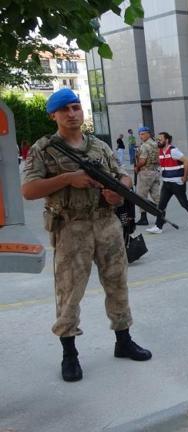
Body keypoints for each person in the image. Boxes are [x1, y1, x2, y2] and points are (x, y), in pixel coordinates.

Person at [21, 88, 152, 383]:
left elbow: (123, 176)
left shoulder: (99, 147)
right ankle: (70, 353)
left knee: (117, 284)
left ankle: (123, 340)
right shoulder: (45, 149)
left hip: (106, 223)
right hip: (71, 227)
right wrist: (69, 179)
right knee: (69, 293)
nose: (72, 113)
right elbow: (28, 190)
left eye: (76, 107)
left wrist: (117, 192)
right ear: (53, 115)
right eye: (65, 109)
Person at [145, 132, 188, 234]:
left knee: (184, 203)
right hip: (166, 183)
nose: (158, 141)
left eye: (160, 139)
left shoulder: (173, 151)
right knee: (161, 205)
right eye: (157, 139)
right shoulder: (161, 151)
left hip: (177, 183)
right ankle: (158, 227)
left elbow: (187, 162)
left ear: (166, 140)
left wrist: (185, 177)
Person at [133, 126, 161, 225]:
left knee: (141, 196)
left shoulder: (144, 146)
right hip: (155, 171)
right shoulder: (155, 144)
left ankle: (144, 218)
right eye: (140, 134)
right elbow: (159, 159)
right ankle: (161, 215)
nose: (141, 136)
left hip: (145, 173)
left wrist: (137, 166)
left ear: (148, 134)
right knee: (156, 195)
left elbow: (142, 161)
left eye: (143, 134)